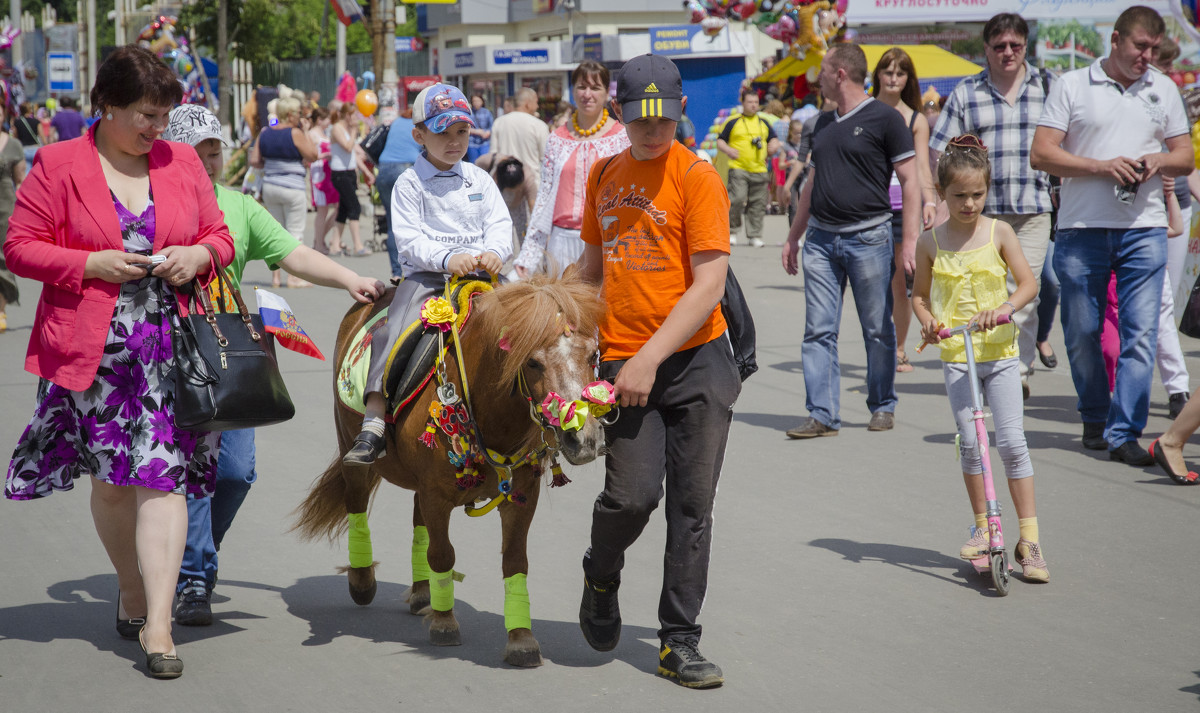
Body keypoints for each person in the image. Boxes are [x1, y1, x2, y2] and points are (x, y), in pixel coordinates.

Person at [2, 45, 234, 679]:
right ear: (106, 105)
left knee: (164, 479)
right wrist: (87, 264)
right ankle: (130, 588)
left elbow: (222, 236)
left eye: (163, 115)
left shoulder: (182, 161)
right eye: (144, 115)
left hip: (173, 345)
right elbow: (19, 248)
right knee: (111, 487)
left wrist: (201, 255)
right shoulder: (57, 163)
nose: (156, 129)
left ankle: (157, 626)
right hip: (93, 348)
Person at [160, 104, 385, 626]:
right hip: (170, 351)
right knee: (190, 472)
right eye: (197, 151)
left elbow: (291, 253)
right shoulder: (155, 206)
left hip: (229, 350)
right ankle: (194, 576)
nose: (209, 159)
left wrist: (349, 278)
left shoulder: (237, 206)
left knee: (236, 473)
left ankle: (185, 552)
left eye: (214, 149)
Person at [574, 52, 737, 690]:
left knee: (691, 507)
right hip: (621, 362)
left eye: (662, 119)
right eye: (639, 119)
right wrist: (572, 341)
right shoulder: (605, 175)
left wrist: (648, 358)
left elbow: (708, 286)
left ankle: (678, 641)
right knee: (632, 496)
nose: (651, 132)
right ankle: (601, 572)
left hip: (696, 362)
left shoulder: (697, 177)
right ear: (619, 114)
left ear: (680, 113)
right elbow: (591, 271)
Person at [1031, 5, 1194, 464]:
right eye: (1140, 46)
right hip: (1081, 230)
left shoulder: (1162, 89)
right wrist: (1102, 166)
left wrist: (1158, 161)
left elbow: (1185, 156)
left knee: (1140, 334)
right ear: (1116, 40)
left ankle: (1124, 433)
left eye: (1154, 49)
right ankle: (1094, 414)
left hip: (1144, 230)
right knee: (1082, 332)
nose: (1147, 56)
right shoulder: (1072, 85)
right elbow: (1041, 153)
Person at [342, 83, 512, 466]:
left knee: (531, 327)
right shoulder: (408, 183)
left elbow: (500, 224)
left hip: (484, 278)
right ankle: (373, 421)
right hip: (428, 280)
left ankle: (538, 415)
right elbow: (409, 240)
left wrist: (497, 252)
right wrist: (448, 257)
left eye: (462, 132)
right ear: (419, 134)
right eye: (442, 133)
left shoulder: (480, 179)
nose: (454, 142)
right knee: (394, 331)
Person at [910, 134, 1048, 582]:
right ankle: (986, 524)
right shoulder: (930, 242)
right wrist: (928, 321)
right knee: (971, 443)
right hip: (957, 357)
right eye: (958, 196)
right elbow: (919, 296)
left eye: (977, 194)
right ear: (942, 193)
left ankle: (1029, 539)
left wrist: (1005, 308)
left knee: (1010, 442)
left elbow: (1028, 284)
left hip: (1001, 355)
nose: (968, 204)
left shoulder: (999, 232)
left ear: (986, 191)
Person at [781, 43, 921, 438]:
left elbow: (910, 182)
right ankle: (822, 414)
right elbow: (811, 183)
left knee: (877, 327)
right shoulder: (821, 123)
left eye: (823, 72)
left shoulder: (885, 119)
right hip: (822, 242)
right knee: (818, 330)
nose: (818, 80)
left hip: (870, 238)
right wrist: (794, 236)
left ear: (840, 73)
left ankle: (882, 404)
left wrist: (909, 242)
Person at [931, 14, 1057, 401]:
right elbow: (940, 149)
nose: (1007, 53)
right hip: (982, 211)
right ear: (986, 49)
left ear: (1025, 47)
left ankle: (1014, 369)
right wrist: (938, 201)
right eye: (999, 46)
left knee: (1025, 290)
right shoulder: (968, 92)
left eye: (1015, 45)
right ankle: (989, 362)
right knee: (990, 290)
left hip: (1034, 208)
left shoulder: (1048, 86)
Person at [513, 60, 630, 278]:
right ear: (573, 90)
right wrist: (529, 255)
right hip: (562, 241)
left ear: (606, 94)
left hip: (608, 240)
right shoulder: (557, 138)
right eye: (581, 87)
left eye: (595, 88)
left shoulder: (622, 137)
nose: (588, 94)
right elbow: (545, 198)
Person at [872, 47, 939, 373]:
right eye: (888, 71)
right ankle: (879, 349)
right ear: (878, 76)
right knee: (873, 285)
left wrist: (930, 201)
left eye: (900, 73)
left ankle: (898, 348)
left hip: (903, 211)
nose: (893, 78)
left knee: (901, 284)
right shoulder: (866, 111)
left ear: (908, 79)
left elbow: (924, 169)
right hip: (868, 208)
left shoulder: (916, 119)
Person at [249, 96, 319, 288]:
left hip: (270, 186)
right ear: (290, 114)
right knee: (294, 233)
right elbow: (313, 155)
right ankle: (294, 277)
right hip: (292, 188)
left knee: (275, 232)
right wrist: (305, 132)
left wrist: (272, 166)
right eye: (298, 113)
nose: (300, 116)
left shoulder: (265, 132)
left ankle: (276, 277)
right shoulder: (295, 133)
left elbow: (254, 160)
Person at [716, 88, 779, 247]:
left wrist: (773, 146)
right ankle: (732, 231)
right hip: (738, 168)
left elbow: (774, 140)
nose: (753, 105)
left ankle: (754, 235)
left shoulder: (763, 122)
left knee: (758, 204)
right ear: (742, 103)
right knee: (736, 199)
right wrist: (729, 150)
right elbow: (720, 141)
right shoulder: (733, 121)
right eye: (750, 102)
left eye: (756, 102)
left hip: (759, 169)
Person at [375, 107, 422, 280]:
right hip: (405, 168)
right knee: (413, 221)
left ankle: (396, 272)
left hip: (384, 169)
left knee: (392, 223)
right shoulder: (420, 125)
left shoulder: (396, 122)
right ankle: (412, 270)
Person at [329, 102, 374, 258]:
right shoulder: (336, 128)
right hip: (339, 173)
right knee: (355, 207)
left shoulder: (347, 129)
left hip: (349, 172)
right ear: (347, 115)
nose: (355, 118)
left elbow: (354, 153)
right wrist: (355, 130)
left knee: (343, 210)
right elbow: (347, 147)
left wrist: (366, 171)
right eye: (354, 115)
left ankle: (335, 245)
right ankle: (358, 245)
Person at [491, 87, 550, 195]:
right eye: (536, 102)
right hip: (531, 187)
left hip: (504, 187)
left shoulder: (499, 122)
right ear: (528, 104)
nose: (537, 106)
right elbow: (546, 159)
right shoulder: (539, 125)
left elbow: (493, 155)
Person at [475, 152, 537, 253]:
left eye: (514, 189)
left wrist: (538, 233)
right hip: (495, 203)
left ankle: (524, 260)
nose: (511, 192)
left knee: (523, 236)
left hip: (518, 207)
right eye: (509, 189)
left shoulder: (528, 177)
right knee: (495, 234)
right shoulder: (487, 161)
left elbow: (533, 207)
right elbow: (473, 173)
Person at [0, 94, 26, 332]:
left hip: (6, 204)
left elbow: (20, 180)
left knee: (3, 259)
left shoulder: (14, 145)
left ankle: (1, 308)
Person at [307, 106, 340, 255]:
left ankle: (319, 240)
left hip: (329, 172)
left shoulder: (324, 132)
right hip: (319, 173)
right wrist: (324, 155)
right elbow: (309, 156)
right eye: (327, 119)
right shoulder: (311, 134)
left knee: (338, 207)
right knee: (322, 210)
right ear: (320, 120)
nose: (329, 122)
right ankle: (319, 243)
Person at [466, 92, 494, 163]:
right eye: (474, 101)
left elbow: (492, 126)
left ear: (482, 101)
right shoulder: (468, 113)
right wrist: (476, 131)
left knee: (485, 163)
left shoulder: (487, 112)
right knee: (473, 164)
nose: (476, 103)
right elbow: (464, 128)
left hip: (484, 143)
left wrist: (488, 132)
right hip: (472, 143)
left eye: (478, 101)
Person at [14, 101, 40, 171]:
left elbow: (15, 138)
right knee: (37, 172)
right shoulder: (36, 122)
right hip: (35, 149)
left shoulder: (17, 122)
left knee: (26, 175)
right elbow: (42, 137)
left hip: (24, 149)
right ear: (29, 110)